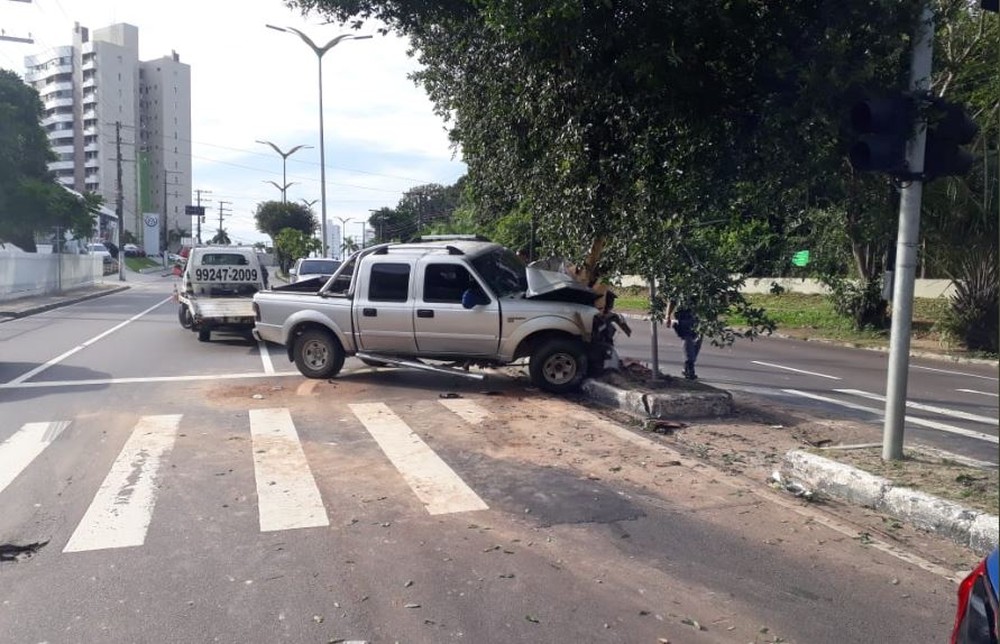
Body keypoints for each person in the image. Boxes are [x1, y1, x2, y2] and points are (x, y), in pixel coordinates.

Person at [666, 300, 702, 380]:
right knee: (688, 337)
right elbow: (672, 299)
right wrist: (668, 315)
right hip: (684, 314)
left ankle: (689, 365)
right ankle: (689, 365)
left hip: (699, 314)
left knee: (698, 339)